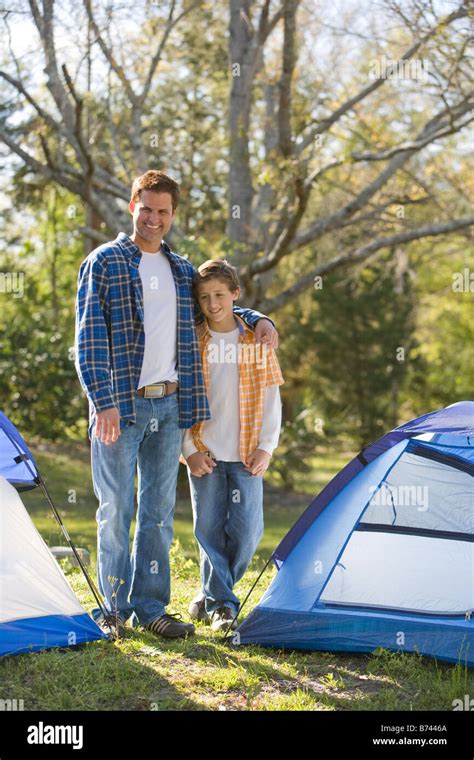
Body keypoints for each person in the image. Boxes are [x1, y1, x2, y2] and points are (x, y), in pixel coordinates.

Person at [75, 170, 278, 639]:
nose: (154, 218)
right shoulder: (104, 262)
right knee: (115, 509)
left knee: (159, 512)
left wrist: (257, 317)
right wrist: (102, 402)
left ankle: (150, 609)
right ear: (132, 207)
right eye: (146, 208)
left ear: (172, 215)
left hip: (169, 409)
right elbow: (88, 341)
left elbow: (217, 305)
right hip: (119, 408)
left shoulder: (182, 270)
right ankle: (112, 608)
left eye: (163, 211)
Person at [182, 259, 284, 632]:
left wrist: (266, 446)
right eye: (205, 297)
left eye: (220, 295)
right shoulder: (193, 341)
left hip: (246, 454)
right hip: (204, 450)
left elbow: (272, 397)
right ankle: (223, 604)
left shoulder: (255, 340)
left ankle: (211, 592)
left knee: (246, 532)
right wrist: (188, 450)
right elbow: (182, 399)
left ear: (235, 295)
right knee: (207, 529)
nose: (212, 304)